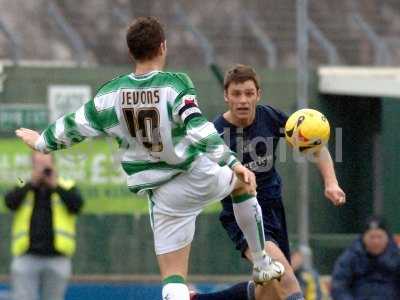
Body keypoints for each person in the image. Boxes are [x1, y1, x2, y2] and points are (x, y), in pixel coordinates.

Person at [15, 17, 285, 300]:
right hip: (197, 172)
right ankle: (262, 261)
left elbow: (75, 124)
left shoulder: (111, 94)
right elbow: (198, 128)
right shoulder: (174, 84)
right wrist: (233, 163)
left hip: (164, 194)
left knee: (174, 277)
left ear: (131, 52)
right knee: (241, 185)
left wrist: (43, 142)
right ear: (163, 47)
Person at [192, 65, 346, 300]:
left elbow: (315, 146)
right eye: (236, 94)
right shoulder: (216, 133)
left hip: (272, 209)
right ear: (226, 96)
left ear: (258, 94)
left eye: (249, 93)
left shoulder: (270, 117)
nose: (243, 100)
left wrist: (331, 183)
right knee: (286, 278)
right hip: (241, 214)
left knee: (268, 290)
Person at [4, 152, 84, 300]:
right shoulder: (23, 183)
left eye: (45, 165)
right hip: (26, 255)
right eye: (38, 164)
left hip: (57, 257)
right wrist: (31, 183)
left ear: (53, 164)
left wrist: (55, 186)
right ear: (32, 165)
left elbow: (77, 206)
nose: (42, 169)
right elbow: (10, 202)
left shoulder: (66, 185)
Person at [331, 216, 400, 300]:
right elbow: (339, 286)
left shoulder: (396, 256)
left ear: (387, 238)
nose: (376, 241)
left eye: (379, 237)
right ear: (363, 237)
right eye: (372, 237)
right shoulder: (351, 257)